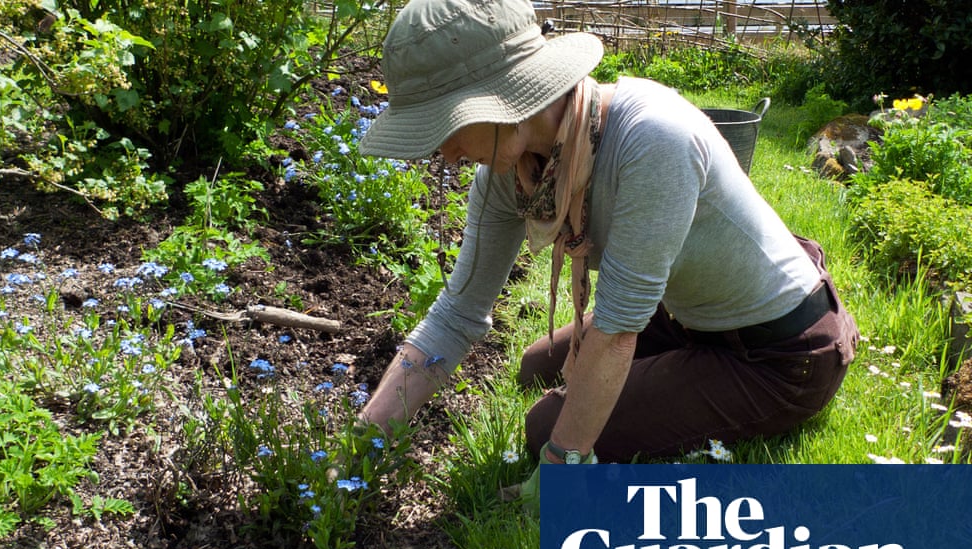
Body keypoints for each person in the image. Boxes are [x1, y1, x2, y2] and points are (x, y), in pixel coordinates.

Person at [355, 0, 859, 472]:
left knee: (546, 428)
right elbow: (457, 314)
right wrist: (360, 444)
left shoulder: (654, 139)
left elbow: (617, 333)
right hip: (686, 315)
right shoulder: (512, 175)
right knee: (537, 366)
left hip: (779, 352)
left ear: (498, 100)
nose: (446, 155)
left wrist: (558, 470)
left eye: (445, 126)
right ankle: (676, 366)